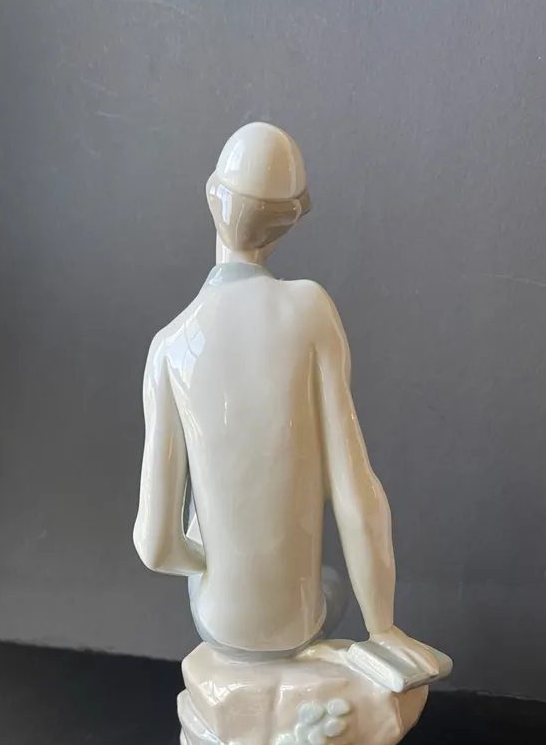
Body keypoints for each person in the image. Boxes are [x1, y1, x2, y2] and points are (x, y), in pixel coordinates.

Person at [134, 122, 443, 679]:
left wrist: (218, 561)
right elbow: (356, 489)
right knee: (327, 585)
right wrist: (382, 630)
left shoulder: (169, 347)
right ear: (293, 218)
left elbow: (155, 546)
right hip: (297, 619)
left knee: (205, 521)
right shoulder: (308, 311)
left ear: (211, 197)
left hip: (219, 620)